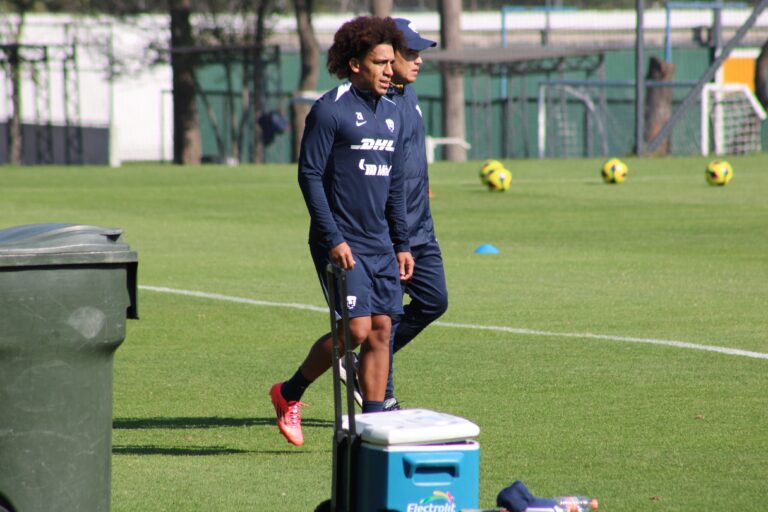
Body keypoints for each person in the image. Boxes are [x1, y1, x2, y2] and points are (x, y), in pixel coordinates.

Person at [269, 16, 414, 447]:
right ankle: (288, 392)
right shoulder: (329, 109)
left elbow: (395, 186)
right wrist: (333, 238)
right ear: (354, 64)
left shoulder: (393, 113)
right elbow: (309, 176)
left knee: (383, 330)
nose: (390, 70)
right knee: (355, 329)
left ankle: (372, 429)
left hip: (379, 243)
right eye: (380, 62)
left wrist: (402, 243)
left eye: (393, 62)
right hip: (339, 240)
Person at [384, 19, 448, 410]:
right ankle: (382, 396)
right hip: (389, 231)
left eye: (420, 52)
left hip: (421, 226)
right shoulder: (374, 99)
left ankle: (362, 365)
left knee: (434, 301)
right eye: (412, 52)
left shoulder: (408, 94)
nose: (419, 60)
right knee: (386, 317)